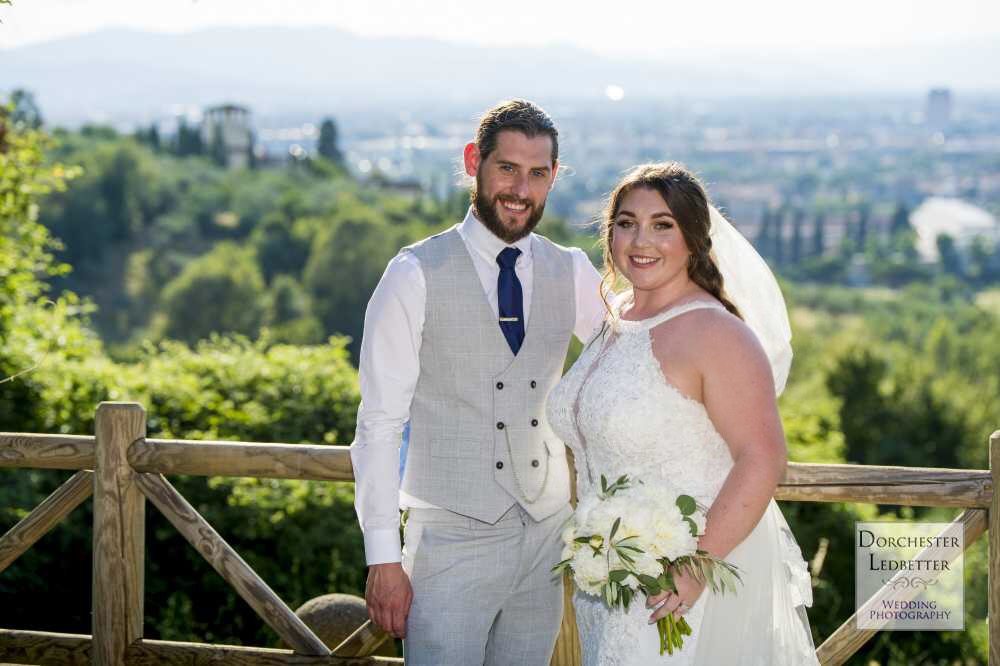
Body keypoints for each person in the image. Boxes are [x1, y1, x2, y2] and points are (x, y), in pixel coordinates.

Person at [349, 99, 605, 665]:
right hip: (448, 541)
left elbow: (630, 360)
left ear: (554, 178)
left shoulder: (572, 271)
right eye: (507, 168)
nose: (521, 188)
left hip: (546, 540)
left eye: (538, 173)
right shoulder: (413, 273)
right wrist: (383, 558)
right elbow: (379, 426)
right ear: (474, 162)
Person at [546, 162, 818, 664]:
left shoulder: (717, 334)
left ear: (694, 238)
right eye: (625, 223)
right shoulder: (617, 318)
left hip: (683, 584)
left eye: (662, 225)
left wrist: (695, 567)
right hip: (609, 581)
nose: (639, 239)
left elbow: (762, 458)